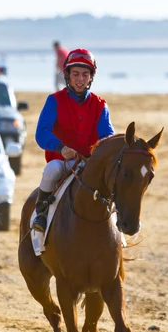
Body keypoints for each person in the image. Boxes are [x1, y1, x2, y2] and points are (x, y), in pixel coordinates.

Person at [32, 48, 115, 232]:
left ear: (91, 77)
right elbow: (42, 132)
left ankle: (117, 229)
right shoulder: (54, 100)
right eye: (75, 74)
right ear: (67, 75)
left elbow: (107, 137)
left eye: (85, 74)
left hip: (90, 164)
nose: (80, 79)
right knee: (51, 170)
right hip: (62, 163)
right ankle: (41, 214)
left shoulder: (100, 105)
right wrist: (61, 148)